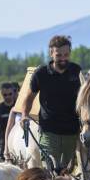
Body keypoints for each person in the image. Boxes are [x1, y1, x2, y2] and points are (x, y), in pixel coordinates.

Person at [21, 35, 82, 167]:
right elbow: (28, 98)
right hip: (49, 130)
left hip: (71, 131)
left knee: (67, 171)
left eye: (66, 54)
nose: (63, 58)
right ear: (51, 53)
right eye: (59, 55)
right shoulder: (41, 74)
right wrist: (24, 115)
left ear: (70, 53)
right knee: (51, 168)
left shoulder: (76, 71)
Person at [0, 82, 17, 159]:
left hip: (17, 142)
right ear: (1, 94)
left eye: (10, 94)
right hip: (2, 144)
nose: (8, 96)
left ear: (14, 92)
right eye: (5, 95)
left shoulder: (19, 108)